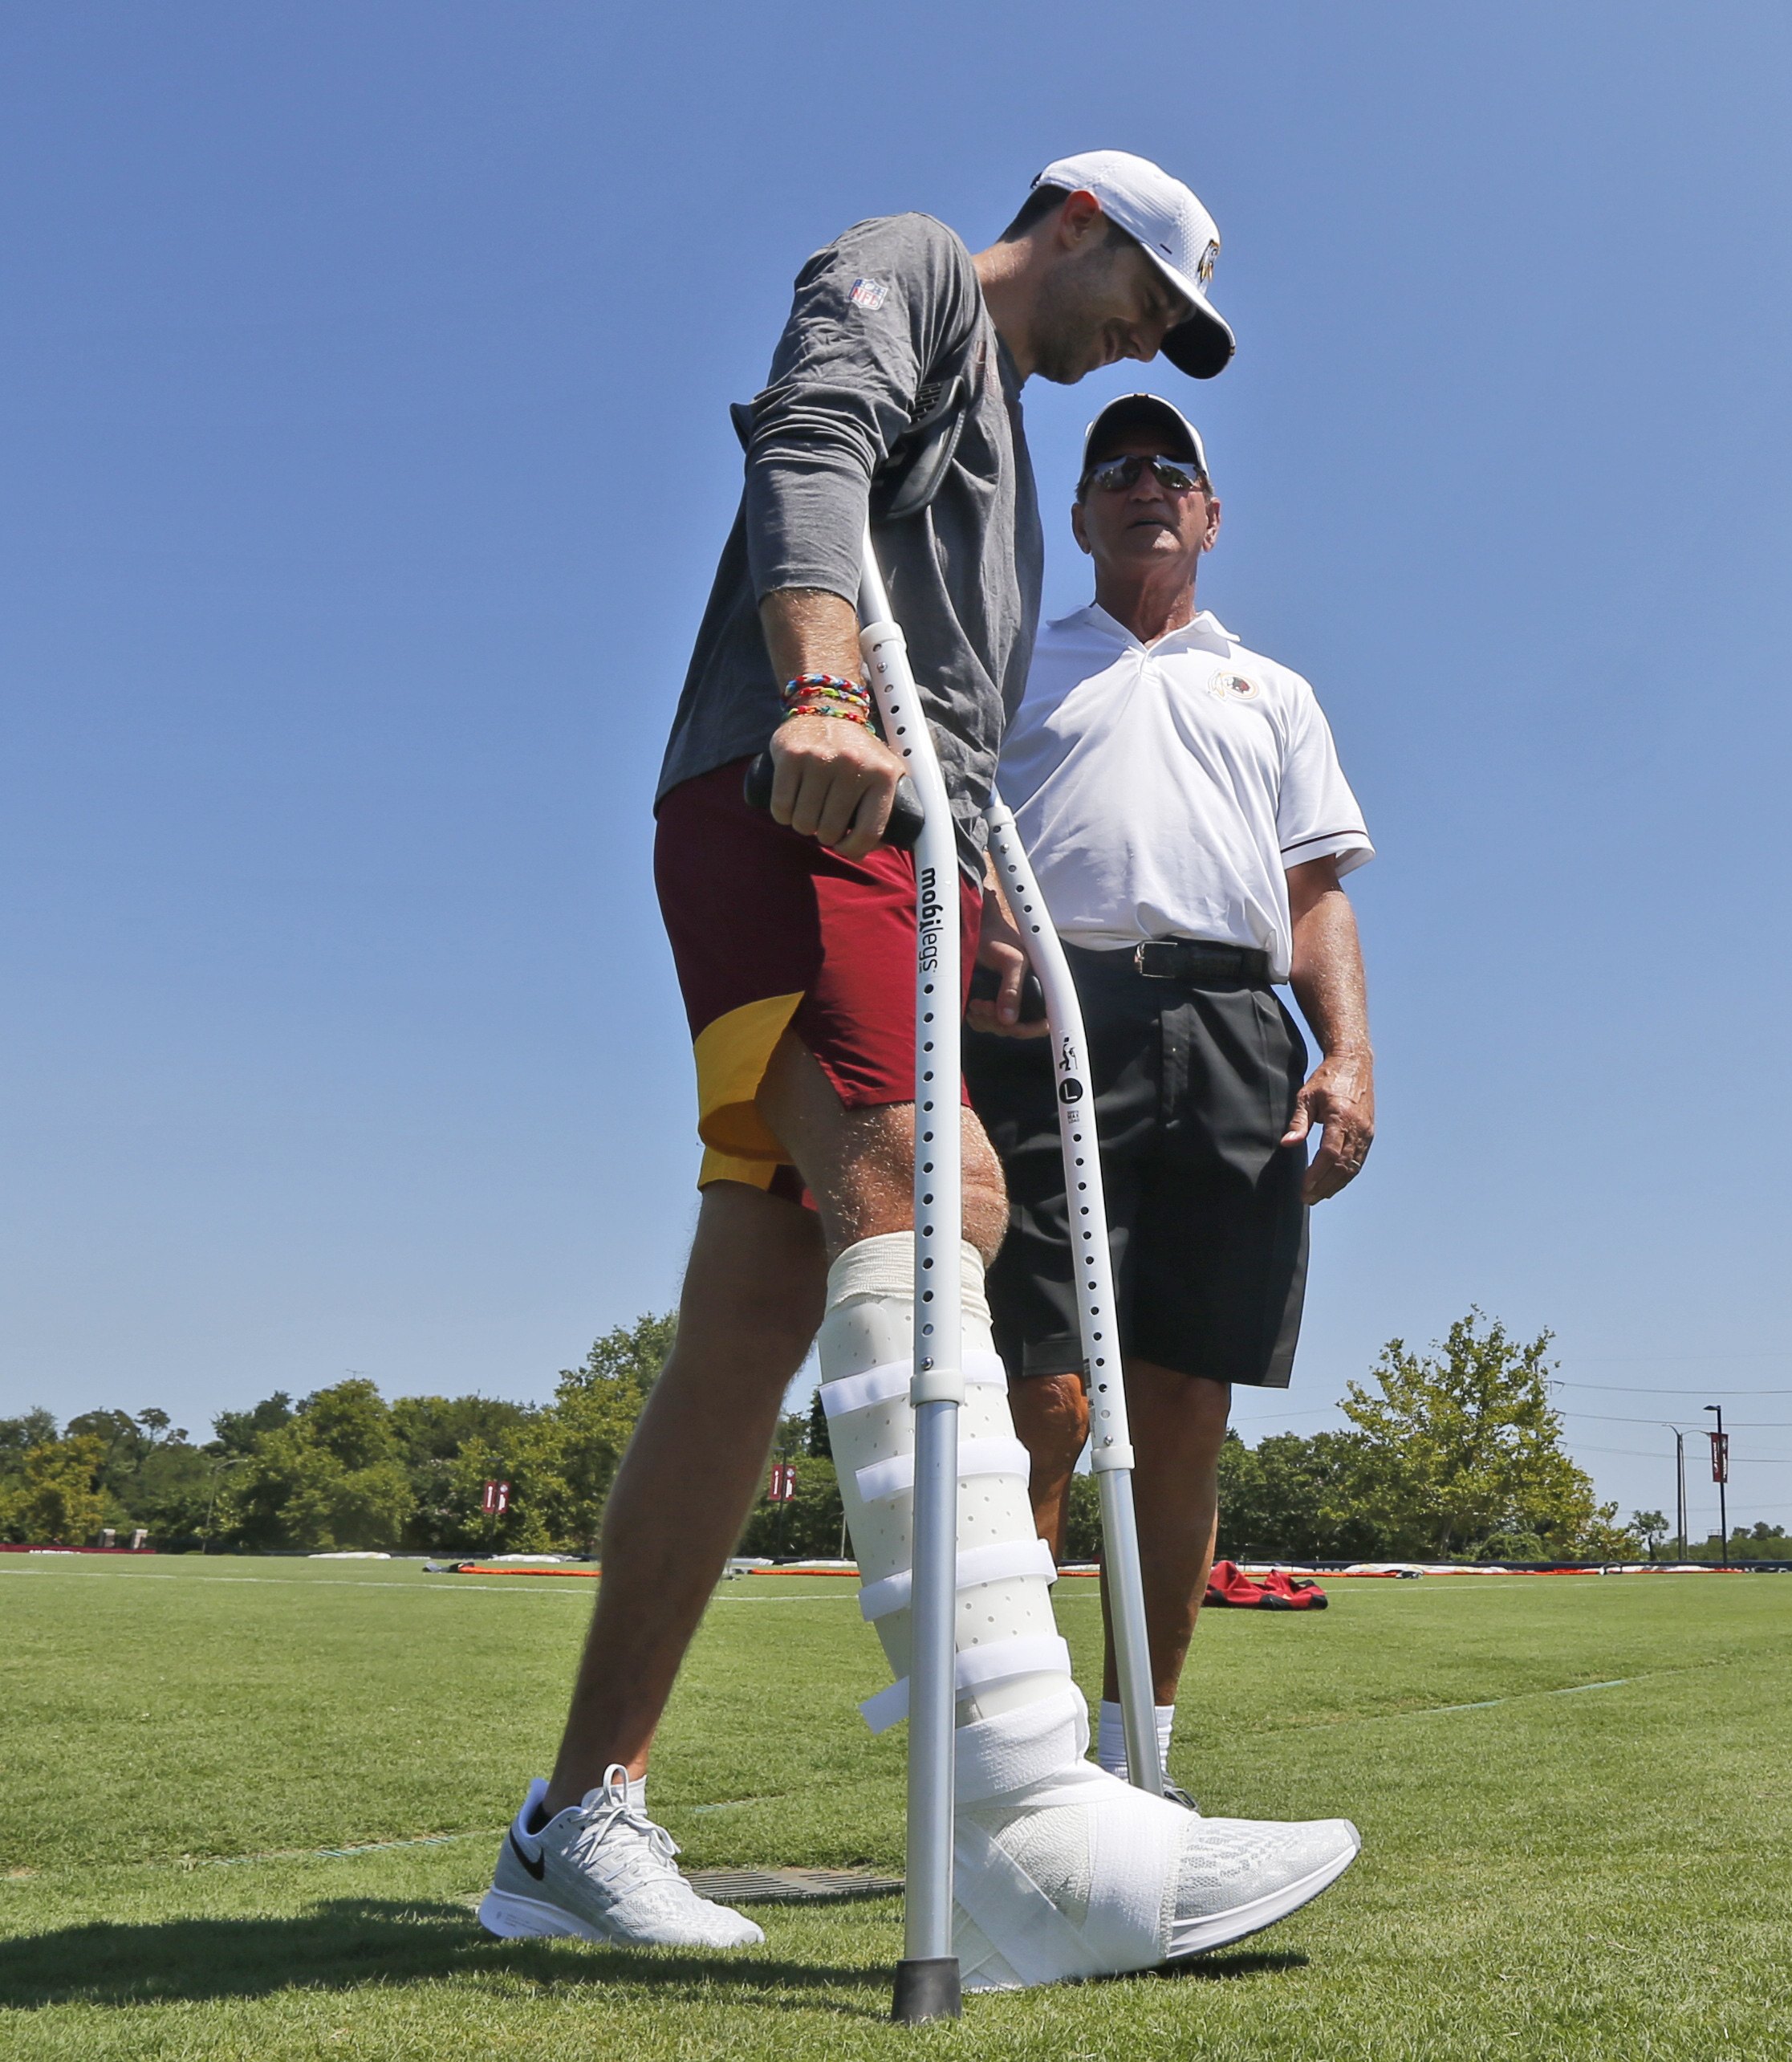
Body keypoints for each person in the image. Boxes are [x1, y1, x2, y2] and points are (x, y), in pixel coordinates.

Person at [479, 154, 1360, 1986]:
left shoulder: (1018, 466)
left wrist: (993, 933)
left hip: (910, 854)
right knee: (932, 1189)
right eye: (1152, 301)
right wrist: (814, 682)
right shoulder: (910, 274)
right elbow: (805, 448)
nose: (1148, 344)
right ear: (1085, 220)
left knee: (751, 1322)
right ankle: (1032, 1826)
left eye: (1179, 347)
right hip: (796, 799)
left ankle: (576, 1818)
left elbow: (958, 721)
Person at [968, 392, 1375, 1802]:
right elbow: (940, 838)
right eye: (1115, 468)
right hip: (1044, 1019)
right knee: (1047, 1397)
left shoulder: (1272, 691)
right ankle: (1016, 1764)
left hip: (1230, 1028)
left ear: (1208, 515)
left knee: (1185, 1399)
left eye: (1172, 469)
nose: (1144, 482)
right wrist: (978, 940)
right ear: (1077, 516)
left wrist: (1349, 1056)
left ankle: (1145, 1760)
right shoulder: (1010, 657)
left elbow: (1313, 892)